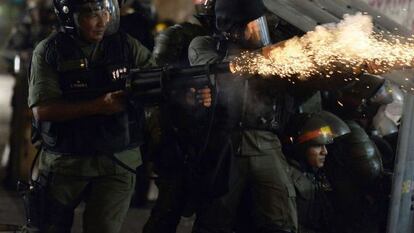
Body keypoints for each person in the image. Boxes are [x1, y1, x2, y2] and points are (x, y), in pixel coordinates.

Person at [27, 0, 156, 231]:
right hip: (65, 163)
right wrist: (97, 106)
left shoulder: (126, 46)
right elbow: (43, 110)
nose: (102, 22)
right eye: (91, 14)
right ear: (70, 17)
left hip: (117, 161)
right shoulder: (50, 51)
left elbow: (157, 81)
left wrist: (188, 92)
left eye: (106, 12)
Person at [143, 1, 216, 232]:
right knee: (169, 206)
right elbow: (156, 85)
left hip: (217, 135)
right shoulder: (178, 37)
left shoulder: (239, 37)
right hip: (179, 134)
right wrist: (185, 94)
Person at [285, 111, 349, 233]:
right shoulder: (288, 178)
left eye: (325, 146)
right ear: (302, 149)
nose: (325, 152)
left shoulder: (314, 174)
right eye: (317, 146)